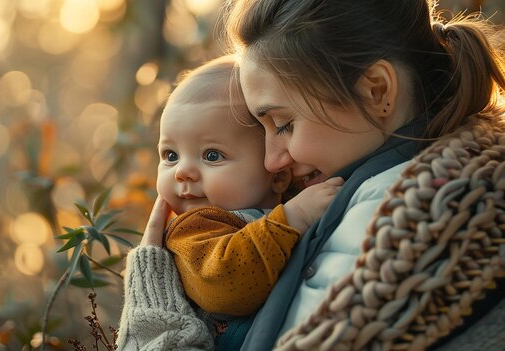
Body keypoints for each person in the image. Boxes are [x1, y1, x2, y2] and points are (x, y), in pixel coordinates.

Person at [117, 0, 505, 349]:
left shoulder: (398, 216)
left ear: (376, 91)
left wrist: (152, 309)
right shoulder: (422, 190)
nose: (272, 162)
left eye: (284, 124)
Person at [125, 54, 342, 348]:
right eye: (170, 155)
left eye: (212, 155)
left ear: (278, 175)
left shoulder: (285, 202)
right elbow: (226, 284)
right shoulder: (194, 229)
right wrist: (293, 217)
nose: (182, 172)